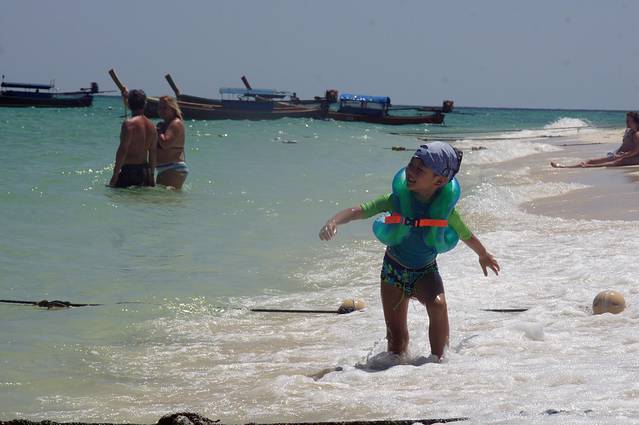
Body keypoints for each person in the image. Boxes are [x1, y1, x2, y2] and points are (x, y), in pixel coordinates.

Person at [319, 142, 500, 361]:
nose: (411, 172)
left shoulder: (445, 212)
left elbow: (466, 234)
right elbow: (361, 210)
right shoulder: (396, 200)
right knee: (396, 342)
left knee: (438, 305)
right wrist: (334, 221)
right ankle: (393, 374)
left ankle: (441, 362)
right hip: (393, 271)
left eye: (420, 169)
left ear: (439, 181)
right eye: (411, 165)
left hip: (425, 271)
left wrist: (483, 254)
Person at [551, 112, 639, 168]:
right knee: (592, 160)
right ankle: (566, 166)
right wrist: (617, 153)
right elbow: (624, 146)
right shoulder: (629, 131)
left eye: (628, 121)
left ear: (635, 122)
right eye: (626, 120)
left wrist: (623, 156)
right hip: (625, 154)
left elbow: (636, 151)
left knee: (618, 161)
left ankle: (589, 166)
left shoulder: (637, 134)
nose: (626, 122)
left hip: (635, 157)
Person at [109, 89, 156, 187]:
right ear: (145, 104)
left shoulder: (129, 124)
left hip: (129, 170)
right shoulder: (152, 126)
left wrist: (115, 174)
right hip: (145, 171)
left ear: (129, 105)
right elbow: (153, 152)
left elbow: (123, 150)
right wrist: (152, 175)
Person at [155, 96, 189, 189]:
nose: (161, 110)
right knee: (165, 197)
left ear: (172, 108)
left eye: (165, 108)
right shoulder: (166, 124)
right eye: (159, 108)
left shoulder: (176, 123)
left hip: (172, 168)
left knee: (165, 197)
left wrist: (158, 130)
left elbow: (165, 143)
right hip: (167, 169)